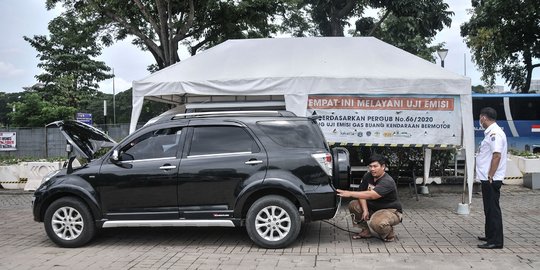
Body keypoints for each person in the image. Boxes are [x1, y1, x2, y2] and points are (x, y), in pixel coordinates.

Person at [336, 154, 402, 242]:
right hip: (373, 208)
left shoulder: (387, 181)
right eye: (370, 166)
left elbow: (372, 195)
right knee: (354, 205)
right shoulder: (368, 176)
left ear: (383, 167)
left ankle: (389, 232)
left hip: (390, 211)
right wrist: (365, 210)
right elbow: (362, 193)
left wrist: (350, 193)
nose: (372, 169)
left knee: (377, 223)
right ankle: (365, 231)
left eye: (375, 166)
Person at [476, 107, 507, 249]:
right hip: (487, 178)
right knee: (488, 208)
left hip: (491, 178)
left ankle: (496, 241)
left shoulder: (495, 133)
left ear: (484, 118)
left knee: (493, 209)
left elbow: (497, 155)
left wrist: (490, 175)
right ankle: (490, 235)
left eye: (480, 118)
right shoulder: (490, 133)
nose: (480, 120)